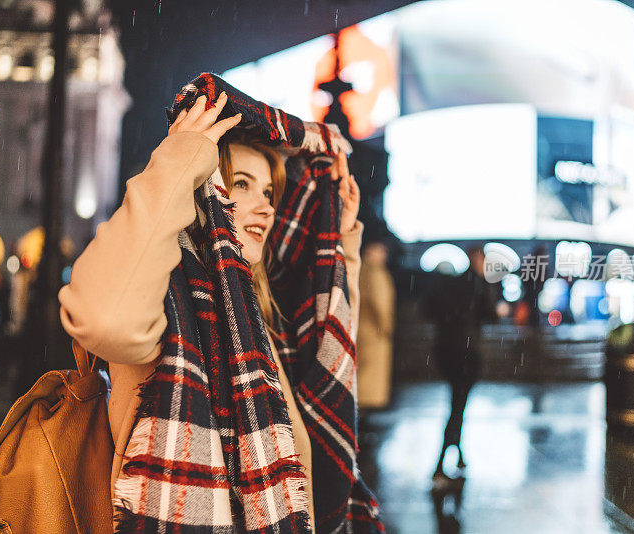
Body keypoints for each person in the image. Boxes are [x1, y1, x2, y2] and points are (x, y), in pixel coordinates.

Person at [59, 81, 380, 533]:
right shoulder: (167, 303)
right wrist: (180, 157)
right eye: (243, 184)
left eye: (269, 193)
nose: (265, 208)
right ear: (204, 189)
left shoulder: (252, 317)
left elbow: (329, 360)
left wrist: (342, 246)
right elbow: (102, 318)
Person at [425, 247, 496, 484]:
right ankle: (439, 464)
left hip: (446, 351)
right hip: (467, 353)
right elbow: (491, 315)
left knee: (457, 405)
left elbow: (428, 310)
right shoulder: (478, 284)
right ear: (478, 260)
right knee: (457, 408)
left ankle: (459, 456)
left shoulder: (450, 283)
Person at [356, 242, 396, 409]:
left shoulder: (358, 269)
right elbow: (380, 303)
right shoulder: (376, 272)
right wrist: (387, 328)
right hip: (374, 333)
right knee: (370, 379)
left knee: (360, 373)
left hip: (360, 330)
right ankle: (363, 419)